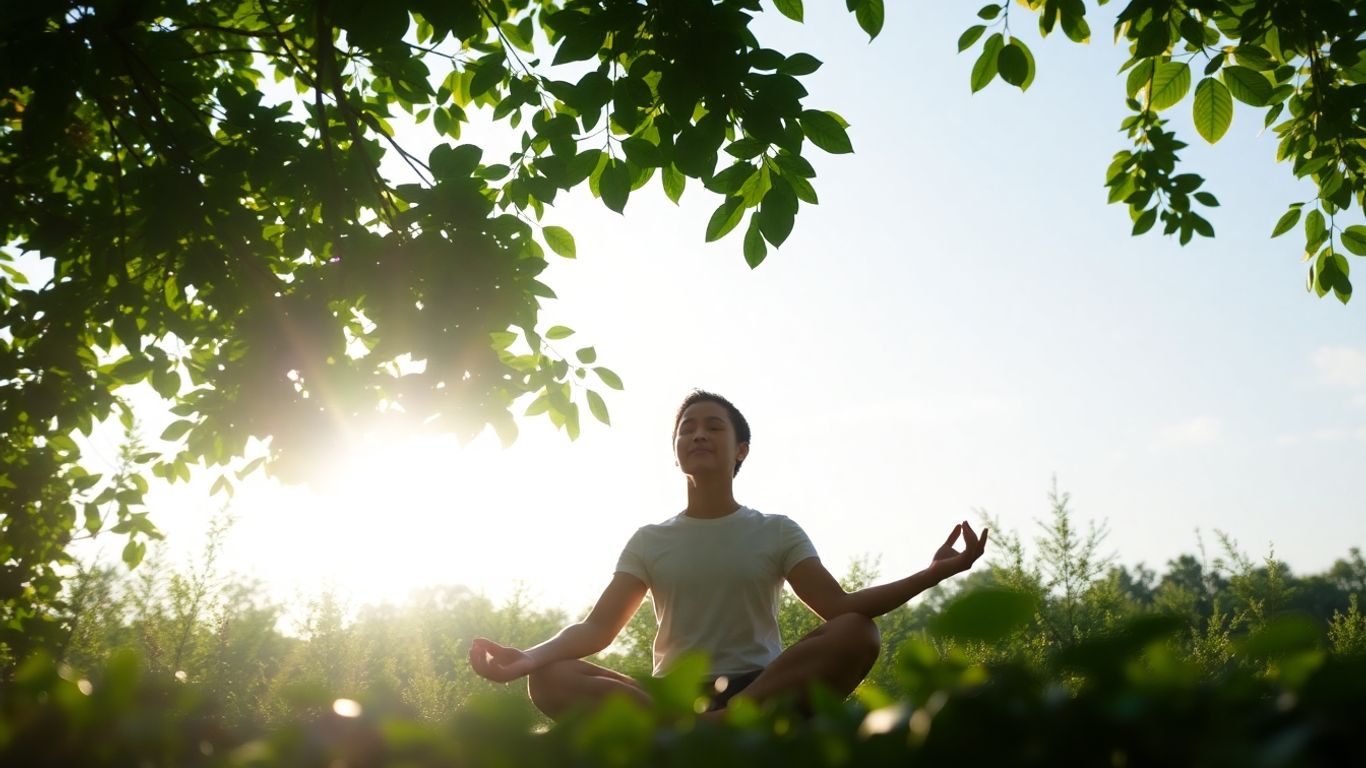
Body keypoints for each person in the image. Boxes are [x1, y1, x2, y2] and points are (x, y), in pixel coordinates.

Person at [468, 390, 988, 719]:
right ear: (676, 451)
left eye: (714, 426)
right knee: (552, 676)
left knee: (858, 630)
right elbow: (596, 631)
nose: (698, 433)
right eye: (687, 427)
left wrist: (933, 573)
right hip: (668, 699)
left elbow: (840, 606)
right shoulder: (650, 539)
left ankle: (732, 717)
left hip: (765, 687)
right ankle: (685, 729)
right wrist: (529, 658)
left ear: (740, 449)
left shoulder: (776, 531)